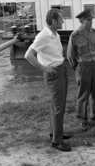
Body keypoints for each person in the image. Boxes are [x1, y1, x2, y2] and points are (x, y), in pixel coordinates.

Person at [24, 9, 71, 152]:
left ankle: (55, 132)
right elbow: (28, 55)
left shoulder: (55, 34)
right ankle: (57, 142)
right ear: (54, 21)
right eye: (61, 19)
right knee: (58, 107)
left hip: (60, 69)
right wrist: (45, 68)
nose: (63, 21)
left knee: (57, 105)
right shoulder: (43, 36)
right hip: (53, 74)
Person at [67, 8, 95, 132]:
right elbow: (70, 55)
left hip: (94, 65)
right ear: (81, 21)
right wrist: (78, 67)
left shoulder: (94, 32)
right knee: (83, 94)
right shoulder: (74, 35)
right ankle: (82, 119)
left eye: (92, 19)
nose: (91, 22)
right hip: (83, 66)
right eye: (89, 20)